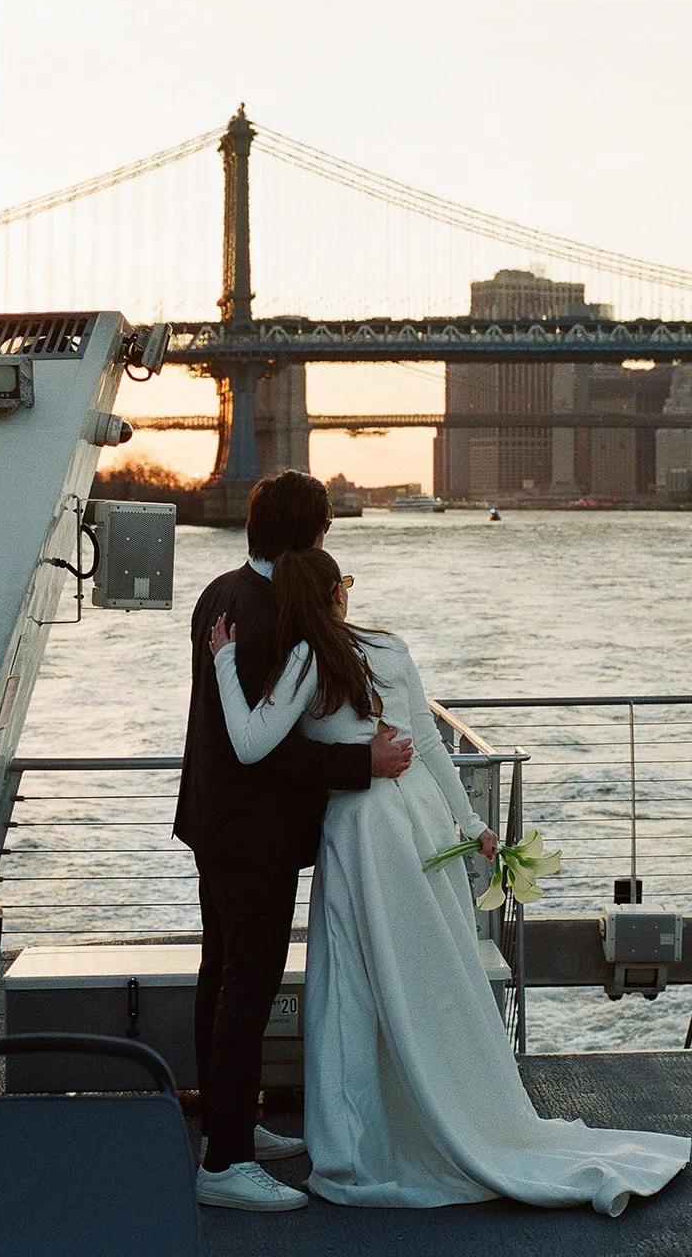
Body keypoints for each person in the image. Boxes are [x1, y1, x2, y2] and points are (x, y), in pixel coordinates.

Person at [209, 547, 691, 1214]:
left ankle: (359, 1146)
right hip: (420, 821)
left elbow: (249, 742)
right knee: (433, 974)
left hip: (363, 831)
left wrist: (223, 663)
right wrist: (472, 825)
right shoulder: (387, 646)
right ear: (337, 595)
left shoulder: (301, 662)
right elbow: (432, 744)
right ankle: (462, 1108)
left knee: (355, 988)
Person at [174, 473, 413, 1213]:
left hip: (213, 819)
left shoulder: (220, 591)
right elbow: (265, 748)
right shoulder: (276, 614)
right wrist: (359, 764)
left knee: (222, 975)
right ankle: (225, 1163)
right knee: (247, 984)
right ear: (312, 534)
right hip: (256, 832)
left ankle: (228, 1124)